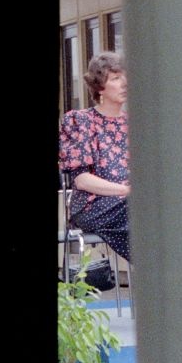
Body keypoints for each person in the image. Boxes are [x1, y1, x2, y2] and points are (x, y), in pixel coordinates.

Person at [59, 52, 132, 270]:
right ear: (100, 86)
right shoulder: (80, 121)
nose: (125, 83)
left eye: (126, 76)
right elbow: (81, 180)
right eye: (116, 78)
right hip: (95, 204)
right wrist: (126, 190)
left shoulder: (135, 123)